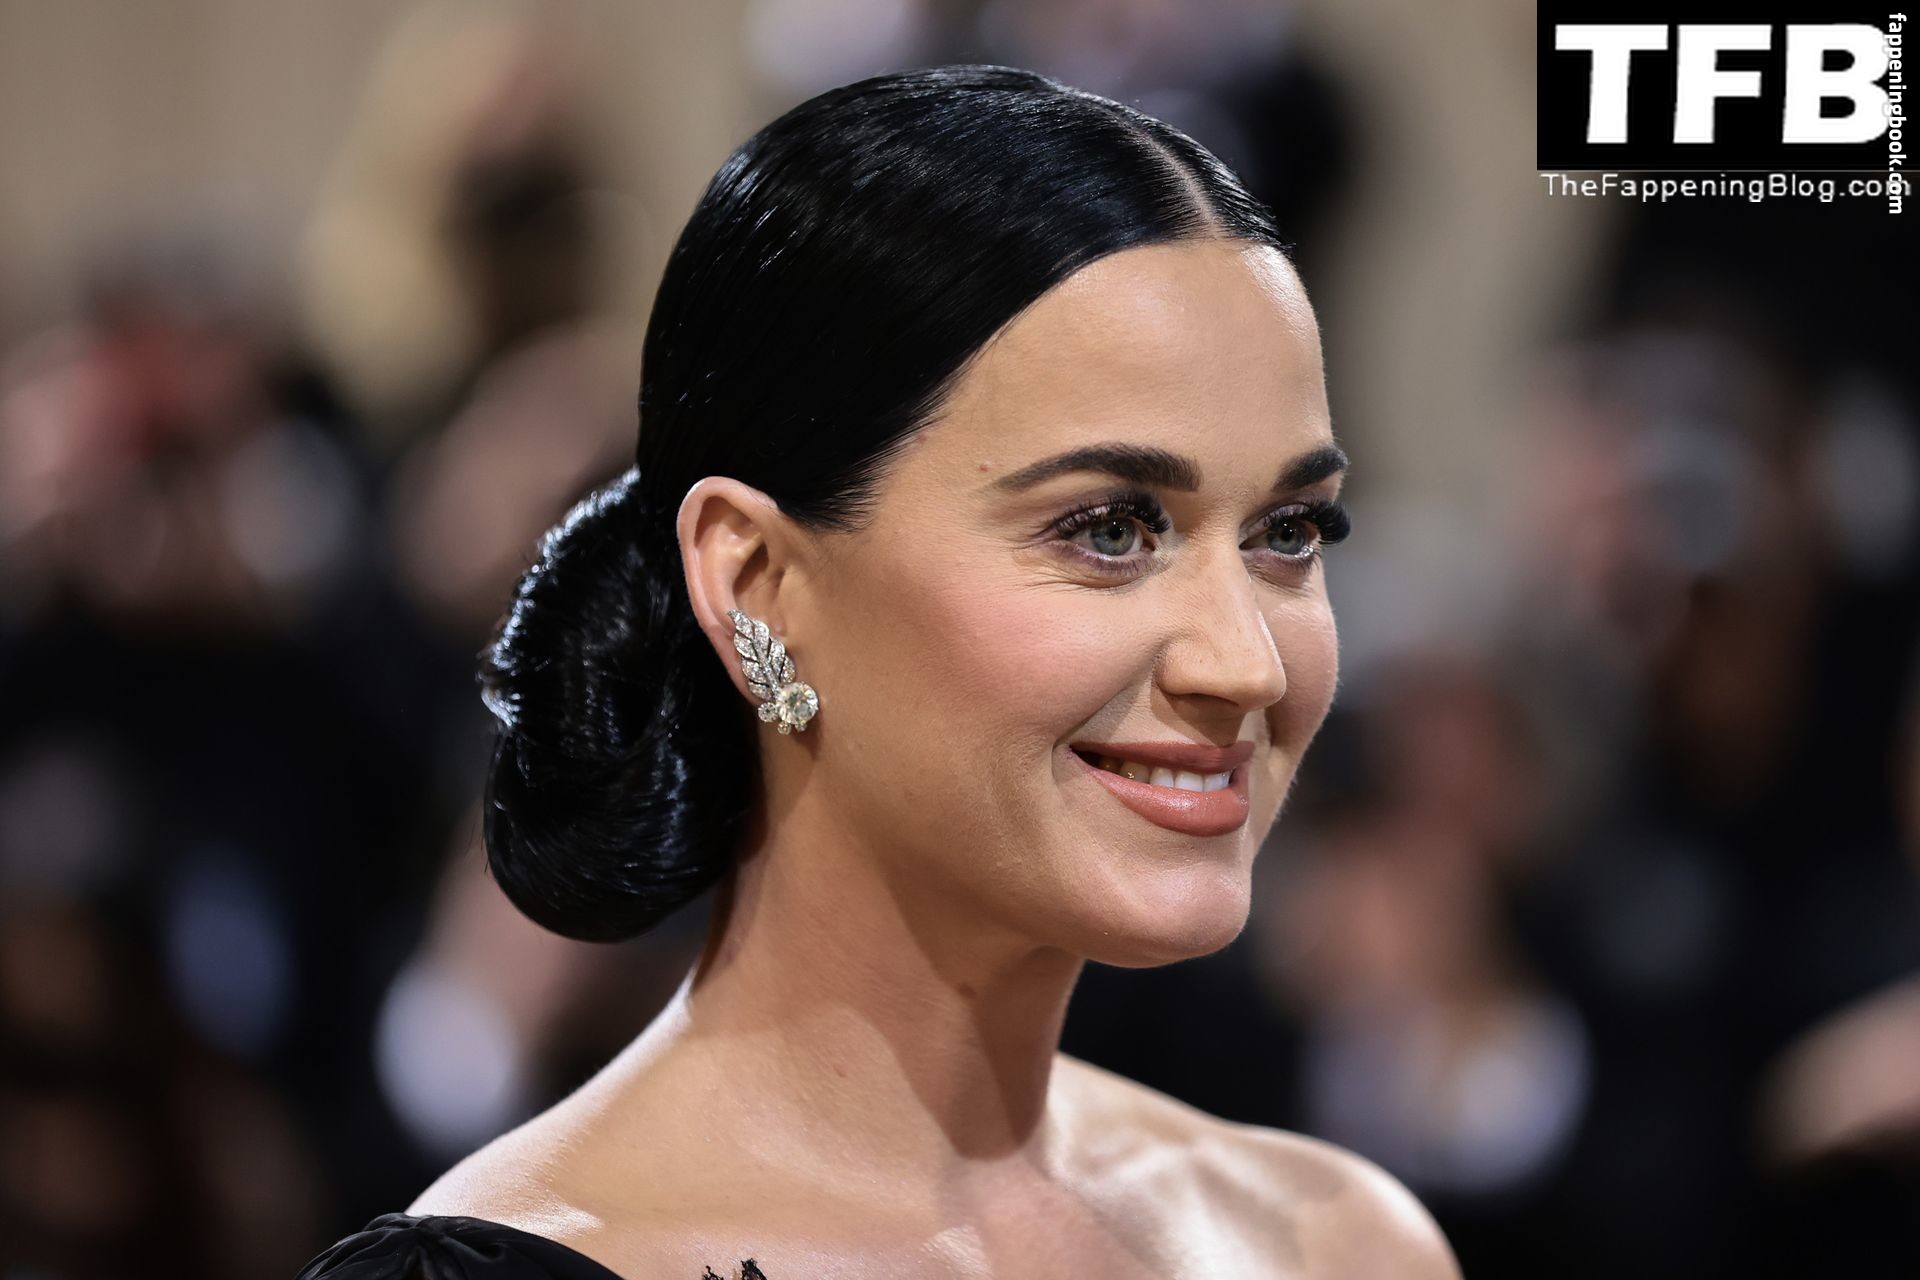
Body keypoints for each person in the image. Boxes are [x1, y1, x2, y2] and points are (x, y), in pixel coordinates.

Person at [294, 63, 1461, 1280]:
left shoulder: (1344, 1243)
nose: (1247, 662)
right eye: (1109, 528)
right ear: (758, 584)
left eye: (1289, 532)